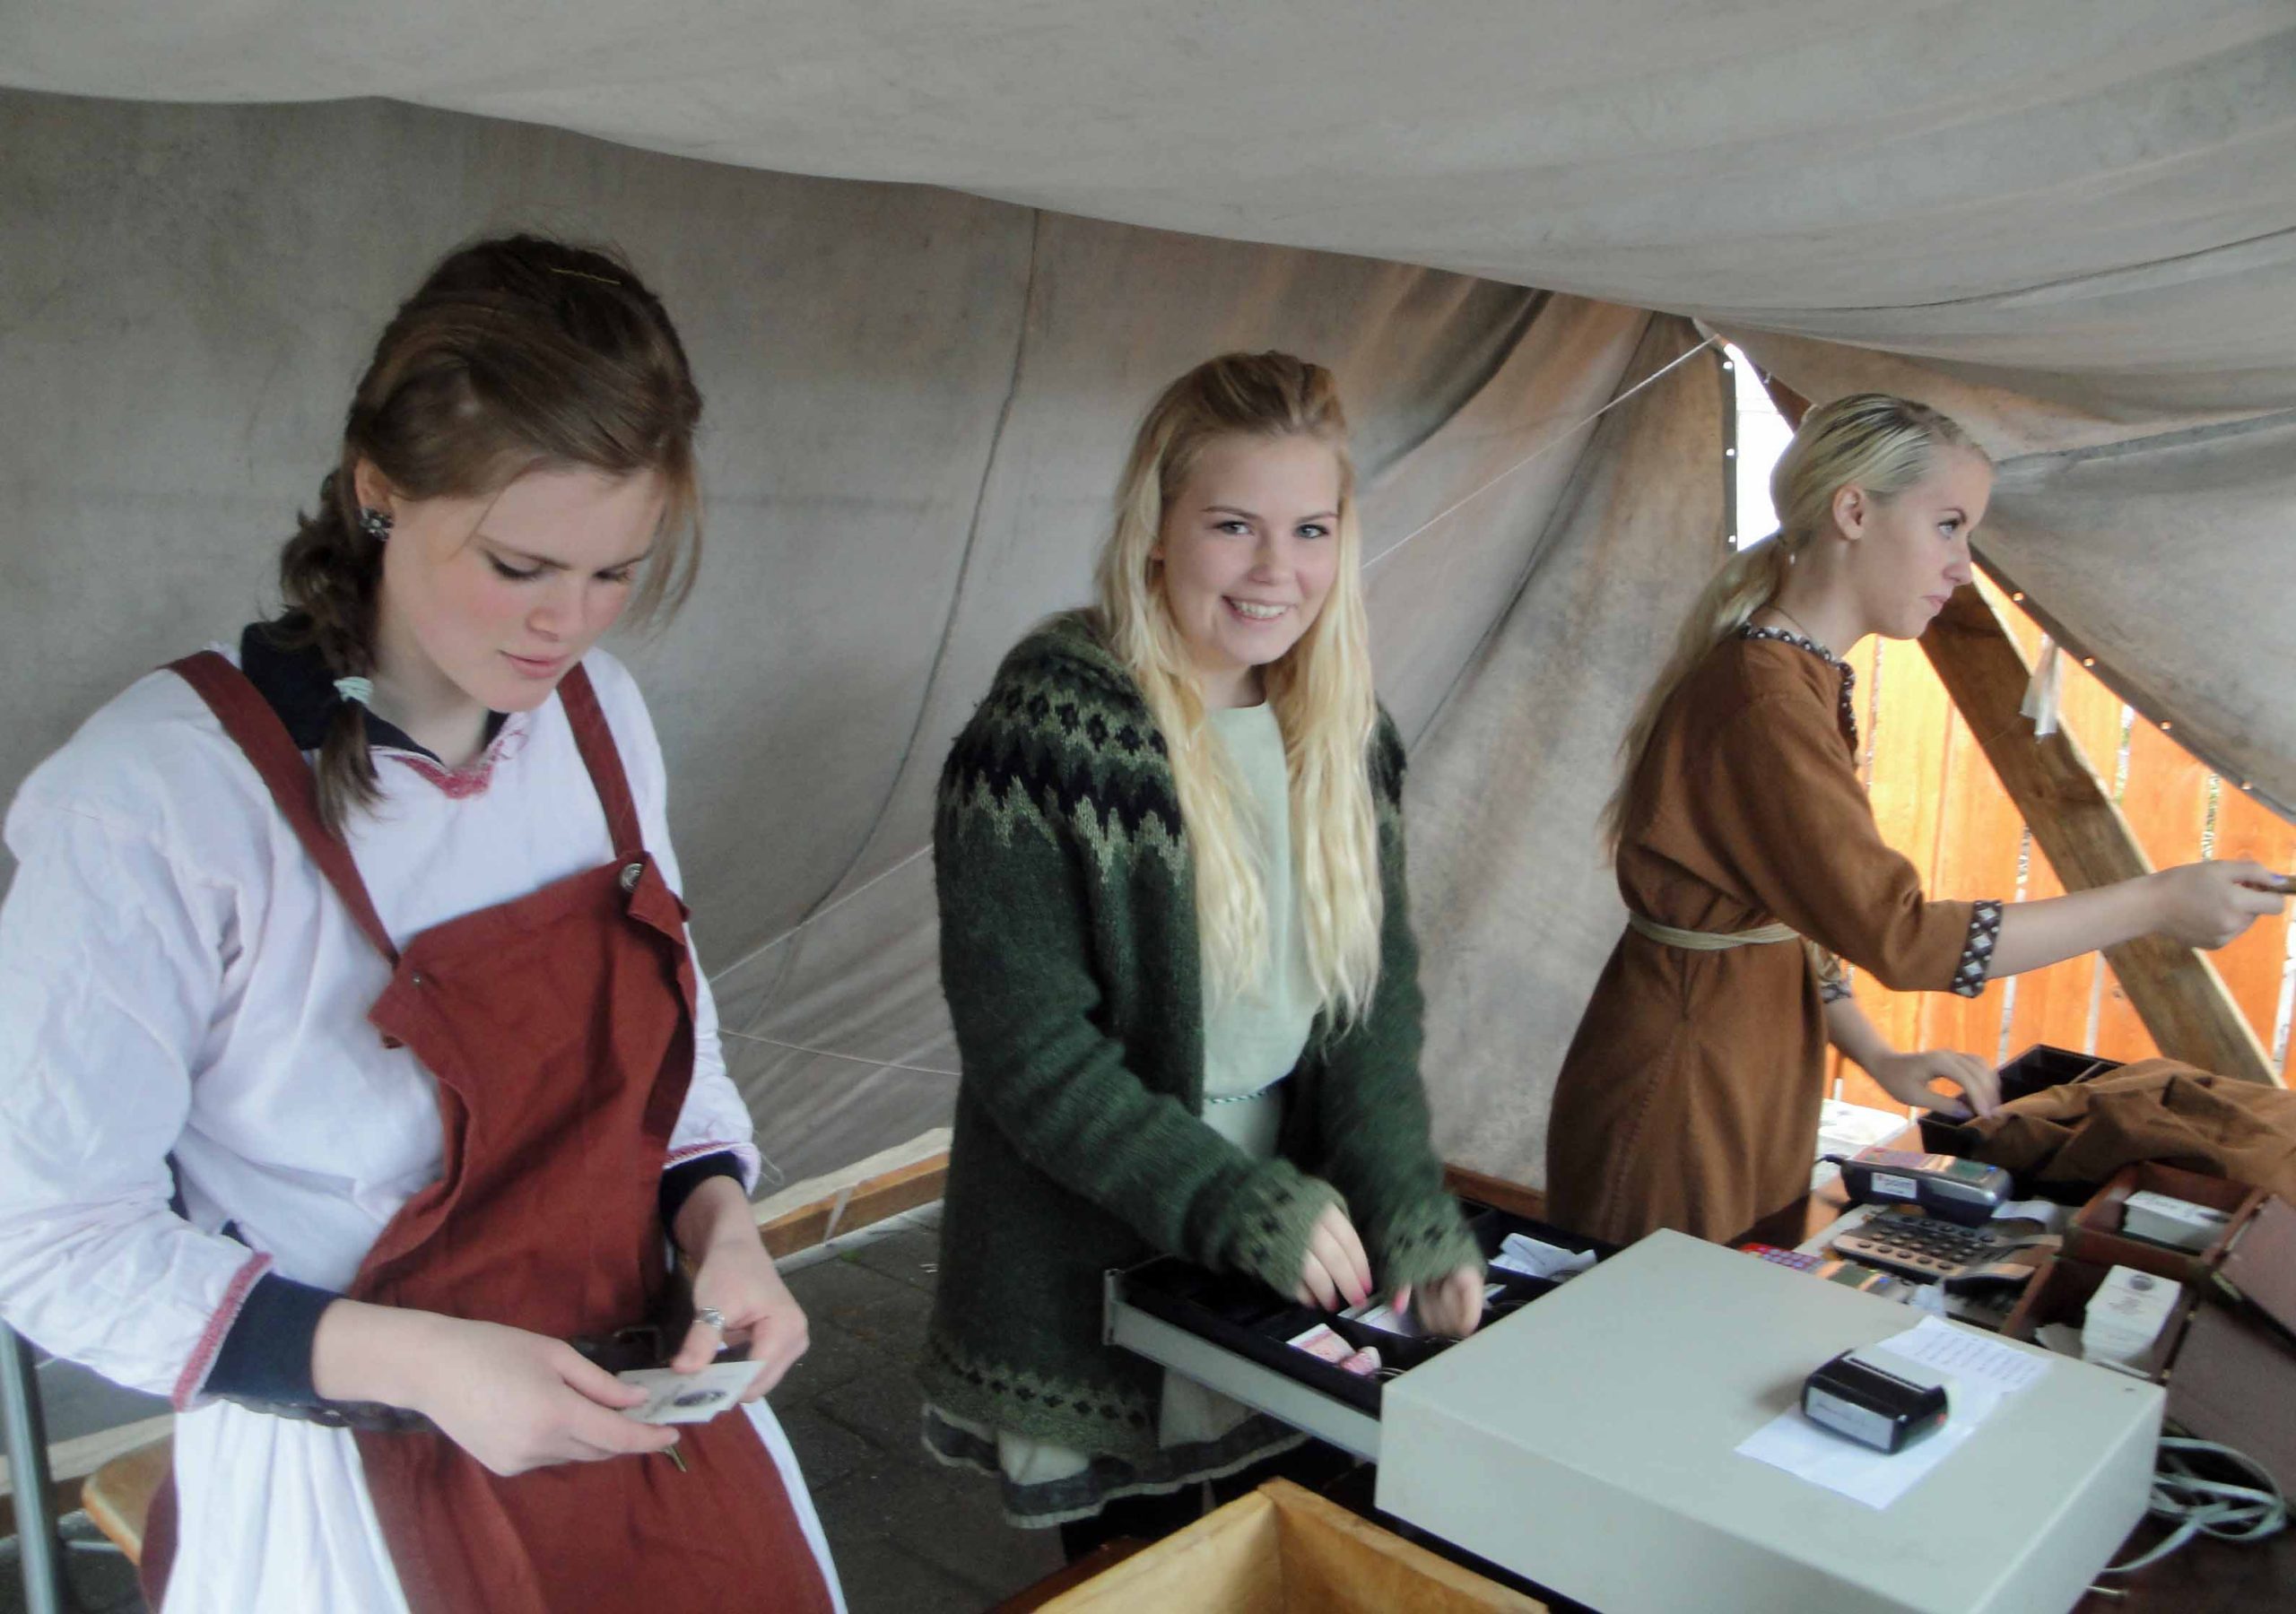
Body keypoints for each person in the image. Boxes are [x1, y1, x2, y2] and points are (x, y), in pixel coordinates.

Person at [0, 236, 841, 1612]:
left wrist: (720, 1226)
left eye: (617, 573)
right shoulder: (154, 799)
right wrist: (422, 1366)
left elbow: (671, 1075)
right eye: (519, 565)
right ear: (380, 489)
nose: (567, 624)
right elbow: (46, 1235)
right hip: (359, 1467)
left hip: (646, 1425)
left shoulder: (600, 722)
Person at [919, 351, 1484, 1555]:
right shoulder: (1047, 736)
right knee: (1152, 1573)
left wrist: (1405, 1203)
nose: (1278, 571)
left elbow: (1364, 1010)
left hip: (1278, 1248)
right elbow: (1033, 1057)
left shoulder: (1345, 731)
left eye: (1310, 529)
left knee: (1299, 1556)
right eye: (1233, 525)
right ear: (1158, 529)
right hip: (1104, 1255)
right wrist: (1229, 1199)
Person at [1544, 392, 2287, 1247]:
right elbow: (1904, 939)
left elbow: (1796, 913)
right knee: (1651, 1332)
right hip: (1684, 1088)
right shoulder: (1761, 698)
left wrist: (1876, 1053)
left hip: (1740, 1065)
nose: (1963, 565)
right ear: (1854, 510)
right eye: (1948, 525)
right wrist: (2156, 904)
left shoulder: (1793, 680)